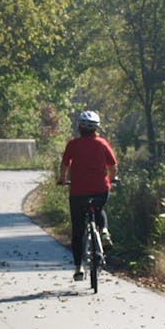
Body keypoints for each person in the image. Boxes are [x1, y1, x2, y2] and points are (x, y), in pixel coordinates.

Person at [57, 110, 118, 281]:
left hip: (78, 192)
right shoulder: (102, 144)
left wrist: (62, 179)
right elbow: (113, 166)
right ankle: (104, 231)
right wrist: (111, 180)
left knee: (78, 231)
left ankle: (79, 268)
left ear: (79, 127)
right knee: (99, 209)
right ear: (96, 128)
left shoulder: (73, 144)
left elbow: (64, 165)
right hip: (100, 189)